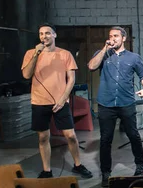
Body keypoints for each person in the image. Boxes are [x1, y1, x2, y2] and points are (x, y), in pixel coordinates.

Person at [21, 23, 93, 179]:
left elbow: (71, 79)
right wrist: (36, 55)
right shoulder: (31, 53)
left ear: (54, 35)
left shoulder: (65, 54)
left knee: (71, 136)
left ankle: (78, 165)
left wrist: (62, 99)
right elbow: (26, 75)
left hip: (60, 102)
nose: (44, 36)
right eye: (41, 34)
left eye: (47, 33)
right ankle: (47, 170)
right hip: (39, 101)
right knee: (43, 137)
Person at [88, 26, 143, 187]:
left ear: (124, 38)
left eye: (116, 36)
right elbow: (91, 66)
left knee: (133, 135)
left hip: (126, 102)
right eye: (110, 36)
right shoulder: (103, 54)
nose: (112, 38)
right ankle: (105, 172)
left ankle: (139, 164)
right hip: (106, 104)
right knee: (105, 139)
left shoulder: (133, 57)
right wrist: (104, 49)